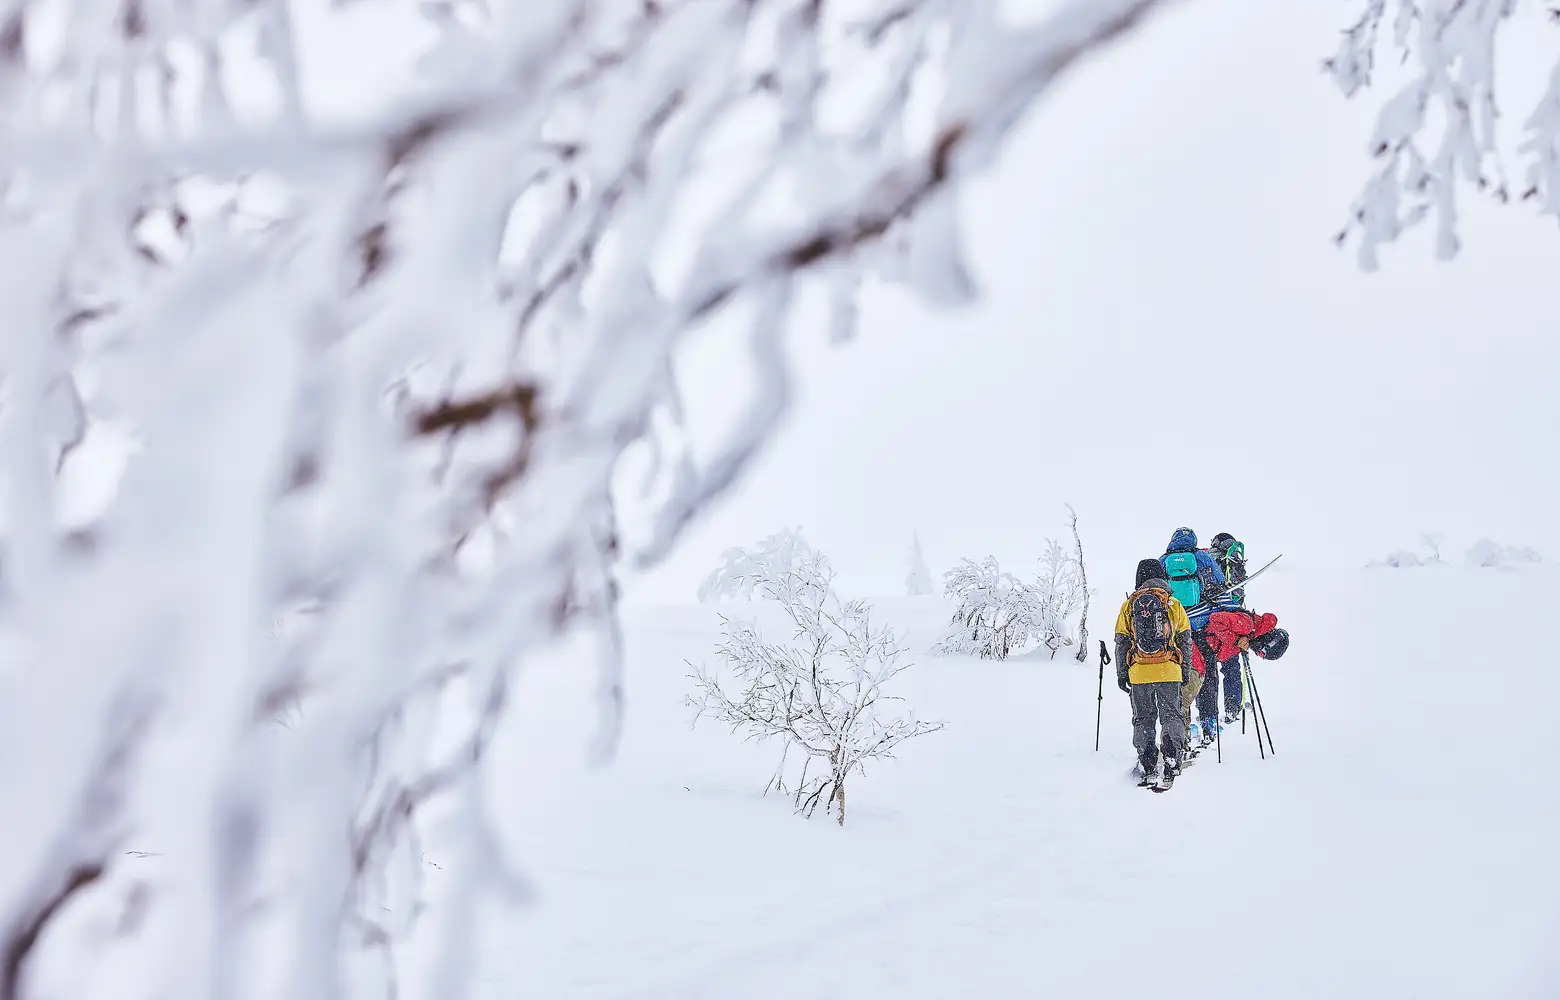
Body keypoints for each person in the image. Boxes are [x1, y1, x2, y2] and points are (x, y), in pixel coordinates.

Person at [1115, 558, 1196, 783]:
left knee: (1143, 718)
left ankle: (1147, 760)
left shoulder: (1129, 606)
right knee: (1171, 715)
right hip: (1169, 670)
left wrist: (1122, 673)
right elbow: (1185, 642)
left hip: (1139, 672)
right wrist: (1185, 672)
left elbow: (1121, 642)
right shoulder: (1174, 605)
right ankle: (1171, 758)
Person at [1159, 528, 1232, 740]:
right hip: (1202, 628)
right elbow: (1219, 584)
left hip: (1176, 630)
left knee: (1182, 674)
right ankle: (1209, 720)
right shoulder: (1202, 558)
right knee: (1207, 673)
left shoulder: (1164, 560)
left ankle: (1184, 723)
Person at [1207, 532, 1251, 722]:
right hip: (1234, 619)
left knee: (1208, 670)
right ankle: (1233, 706)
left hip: (1210, 621)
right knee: (1231, 666)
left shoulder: (1206, 559)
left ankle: (1207, 713)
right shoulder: (1234, 561)